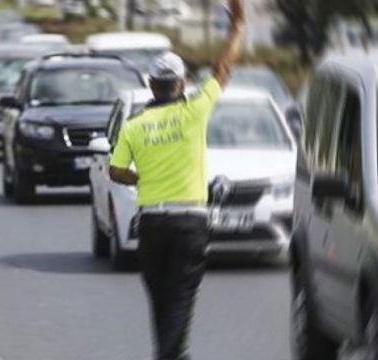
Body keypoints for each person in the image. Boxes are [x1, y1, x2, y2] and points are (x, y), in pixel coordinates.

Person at [107, 0, 245, 358]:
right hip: (189, 223)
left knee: (161, 302)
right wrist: (237, 27)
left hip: (151, 224)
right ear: (182, 84)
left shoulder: (134, 125)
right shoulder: (194, 111)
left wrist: (140, 177)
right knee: (180, 303)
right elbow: (223, 68)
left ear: (152, 85)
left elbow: (115, 170)